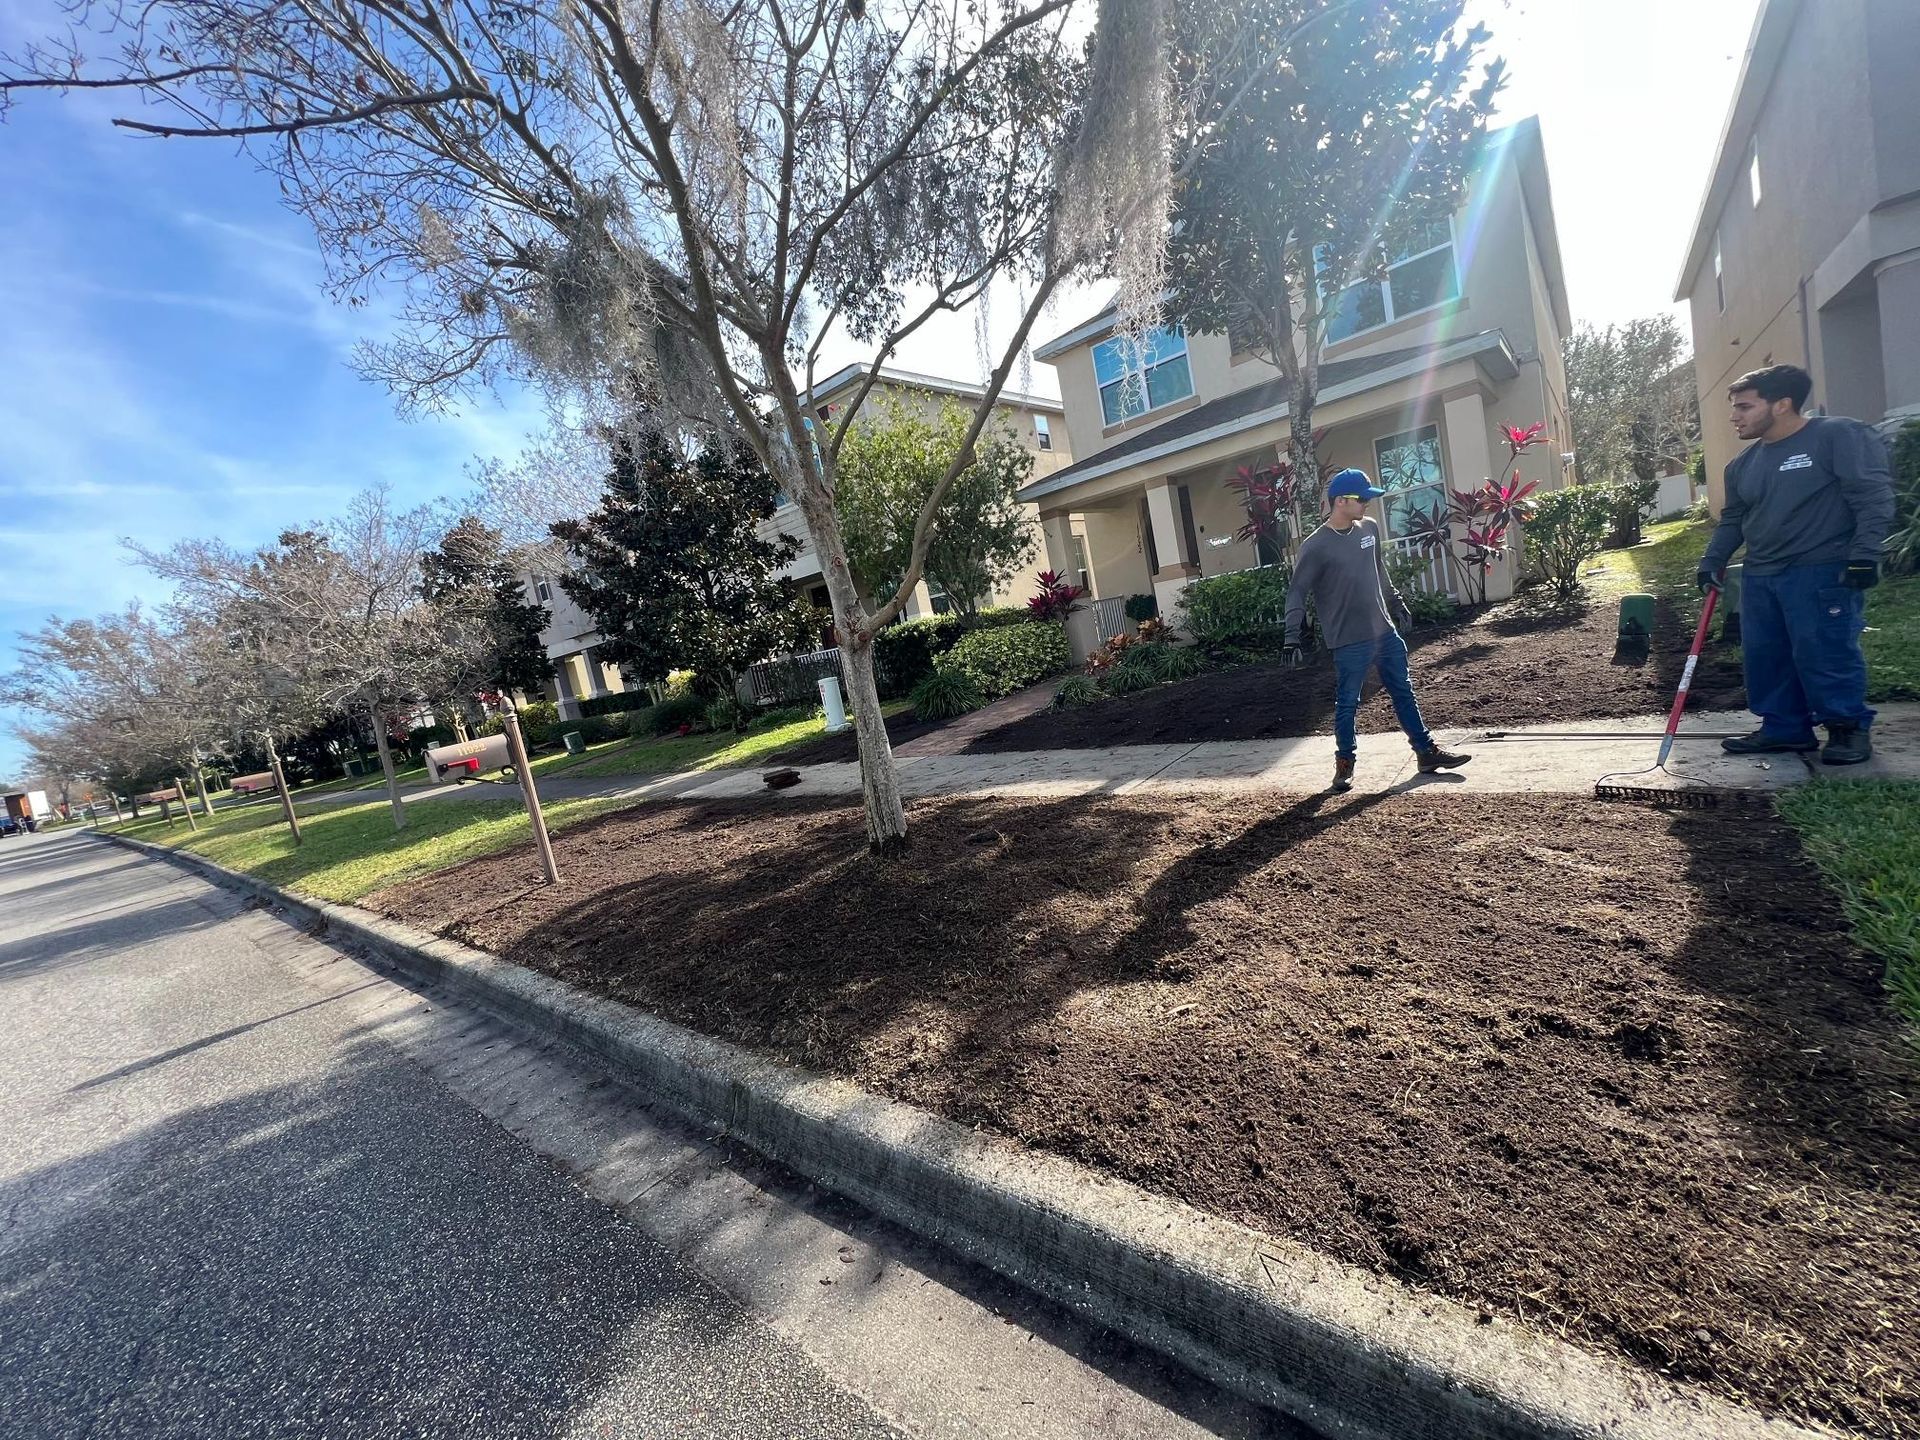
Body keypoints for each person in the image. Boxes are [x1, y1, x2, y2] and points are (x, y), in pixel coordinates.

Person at [1697, 364, 1894, 766]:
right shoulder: (1742, 465)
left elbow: (1870, 496)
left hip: (1820, 569)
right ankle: (1784, 728)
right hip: (1761, 574)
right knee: (1765, 655)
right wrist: (1712, 560)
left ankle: (1846, 729)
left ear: (1782, 404)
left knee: (1823, 650)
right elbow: (1734, 518)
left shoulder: (1836, 436)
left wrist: (1864, 555)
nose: (1735, 416)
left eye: (1745, 407)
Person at [1283, 468, 1470, 792]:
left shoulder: (1368, 528)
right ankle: (1344, 764)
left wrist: (1396, 604)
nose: (1367, 503)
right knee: (1347, 703)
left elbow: (1378, 569)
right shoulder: (1316, 546)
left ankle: (1425, 753)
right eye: (1362, 498)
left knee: (1403, 692)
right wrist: (1291, 636)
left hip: (1384, 631)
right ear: (1340, 501)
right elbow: (1297, 590)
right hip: (1348, 640)